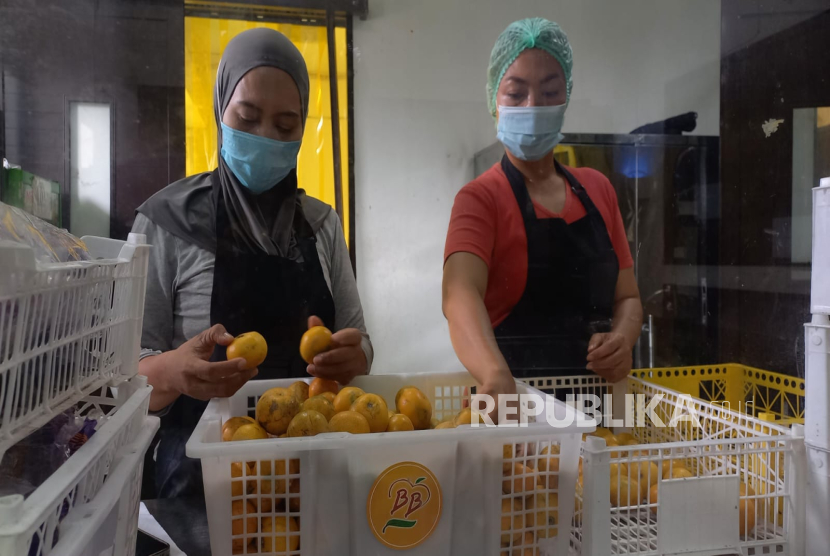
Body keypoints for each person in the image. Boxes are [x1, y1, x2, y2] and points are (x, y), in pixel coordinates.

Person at [133, 28, 372, 497]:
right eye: (247, 118)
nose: (265, 137)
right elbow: (123, 378)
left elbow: (360, 344)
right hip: (204, 484)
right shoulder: (166, 223)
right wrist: (170, 372)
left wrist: (355, 356)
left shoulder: (321, 225)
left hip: (314, 475)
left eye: (285, 126)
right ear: (220, 111)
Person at [442, 18, 642, 411]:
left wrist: (622, 338)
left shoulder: (598, 190)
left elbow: (629, 297)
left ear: (566, 98)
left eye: (550, 92)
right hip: (515, 415)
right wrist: (493, 373)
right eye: (516, 93)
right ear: (494, 101)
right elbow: (459, 293)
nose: (533, 106)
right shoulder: (481, 198)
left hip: (599, 421)